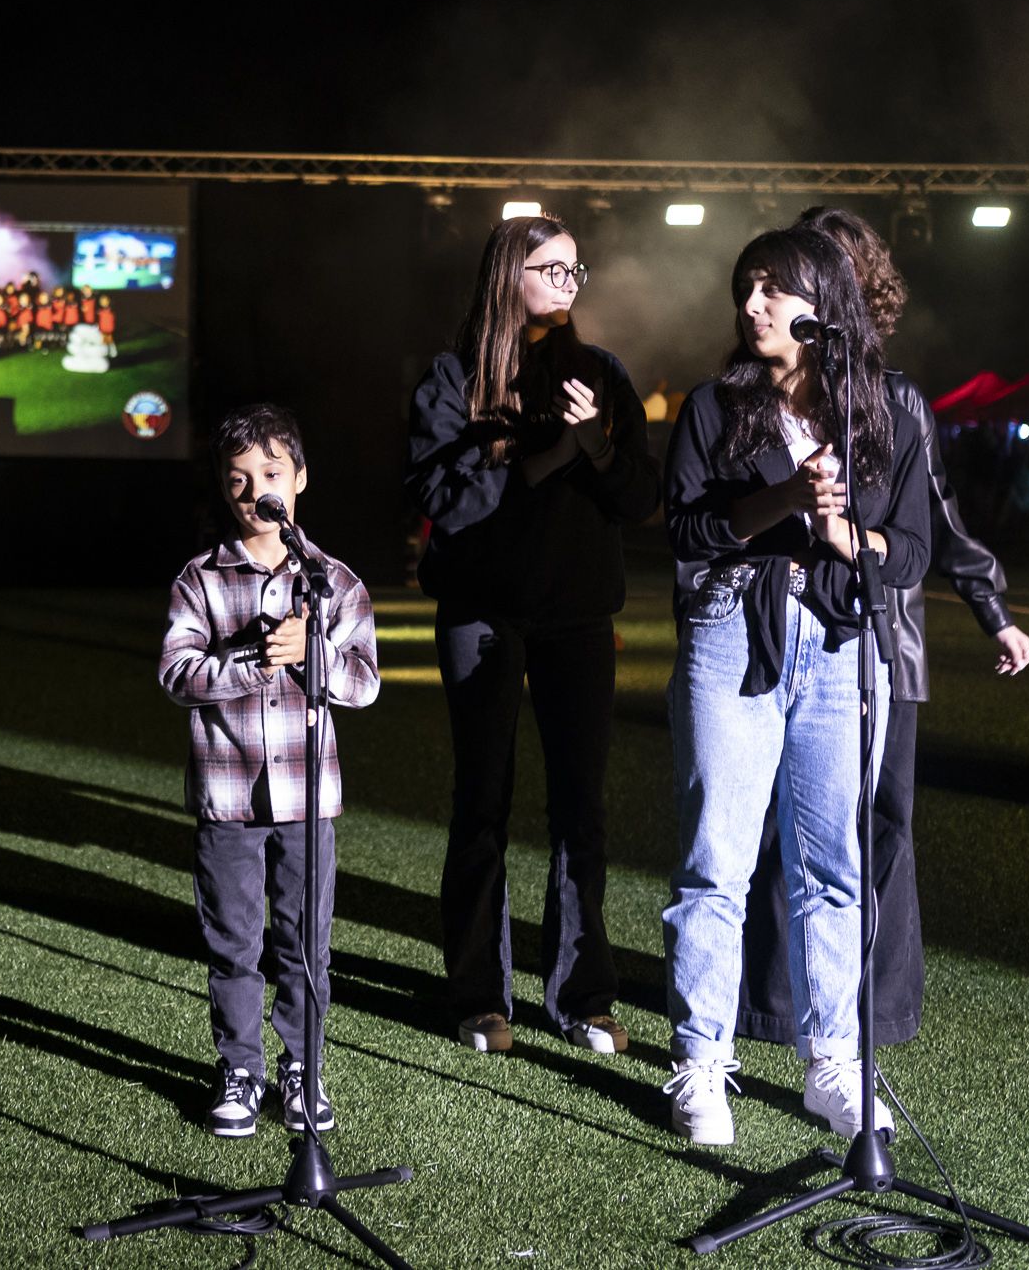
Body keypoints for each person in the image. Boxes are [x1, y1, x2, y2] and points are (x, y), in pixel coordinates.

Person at [734, 208, 1029, 1052]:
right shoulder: (764, 393)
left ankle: (881, 1008)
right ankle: (772, 1003)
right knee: (779, 825)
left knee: (885, 826)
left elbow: (932, 520)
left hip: (885, 642)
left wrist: (993, 609)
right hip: (790, 632)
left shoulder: (893, 398)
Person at [661, 226, 930, 1145]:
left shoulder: (887, 404)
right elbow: (688, 531)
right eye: (746, 289)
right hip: (734, 635)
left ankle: (834, 1066)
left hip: (845, 644)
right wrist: (787, 499)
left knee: (837, 868)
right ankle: (700, 1064)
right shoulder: (712, 404)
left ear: (826, 301)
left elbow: (914, 549)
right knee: (718, 863)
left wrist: (848, 532)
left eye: (775, 288)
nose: (753, 305)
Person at [405, 213, 660, 1056]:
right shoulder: (455, 377)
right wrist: (540, 453)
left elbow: (638, 497)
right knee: (482, 799)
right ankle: (479, 994)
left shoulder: (604, 373)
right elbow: (445, 497)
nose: (566, 281)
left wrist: (594, 445)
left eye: (575, 270)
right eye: (550, 267)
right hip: (482, 611)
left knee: (579, 807)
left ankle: (583, 996)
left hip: (579, 617)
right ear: (508, 273)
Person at [160, 404, 379, 1138]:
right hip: (227, 796)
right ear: (225, 491)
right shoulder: (201, 579)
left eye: (273, 475)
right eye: (241, 479)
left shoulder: (335, 581)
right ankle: (239, 1066)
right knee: (233, 939)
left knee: (305, 941)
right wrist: (252, 661)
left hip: (307, 795)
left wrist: (313, 654)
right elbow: (176, 672)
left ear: (301, 479)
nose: (258, 492)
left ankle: (302, 1067)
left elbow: (365, 680)